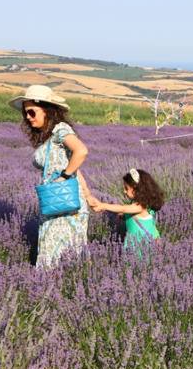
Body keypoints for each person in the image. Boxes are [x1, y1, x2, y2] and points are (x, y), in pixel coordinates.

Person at [12, 85, 92, 268]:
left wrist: (63, 177)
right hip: (55, 201)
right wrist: (88, 195)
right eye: (25, 114)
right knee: (54, 253)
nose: (28, 117)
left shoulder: (60, 129)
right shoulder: (47, 137)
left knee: (60, 256)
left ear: (47, 110)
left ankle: (62, 290)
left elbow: (81, 151)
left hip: (66, 203)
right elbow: (74, 164)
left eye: (32, 112)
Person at [89, 169, 164, 252]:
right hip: (134, 244)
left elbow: (123, 208)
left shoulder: (142, 206)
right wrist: (124, 216)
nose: (124, 191)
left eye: (126, 188)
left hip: (142, 246)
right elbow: (134, 217)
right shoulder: (137, 204)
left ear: (136, 189)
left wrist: (103, 205)